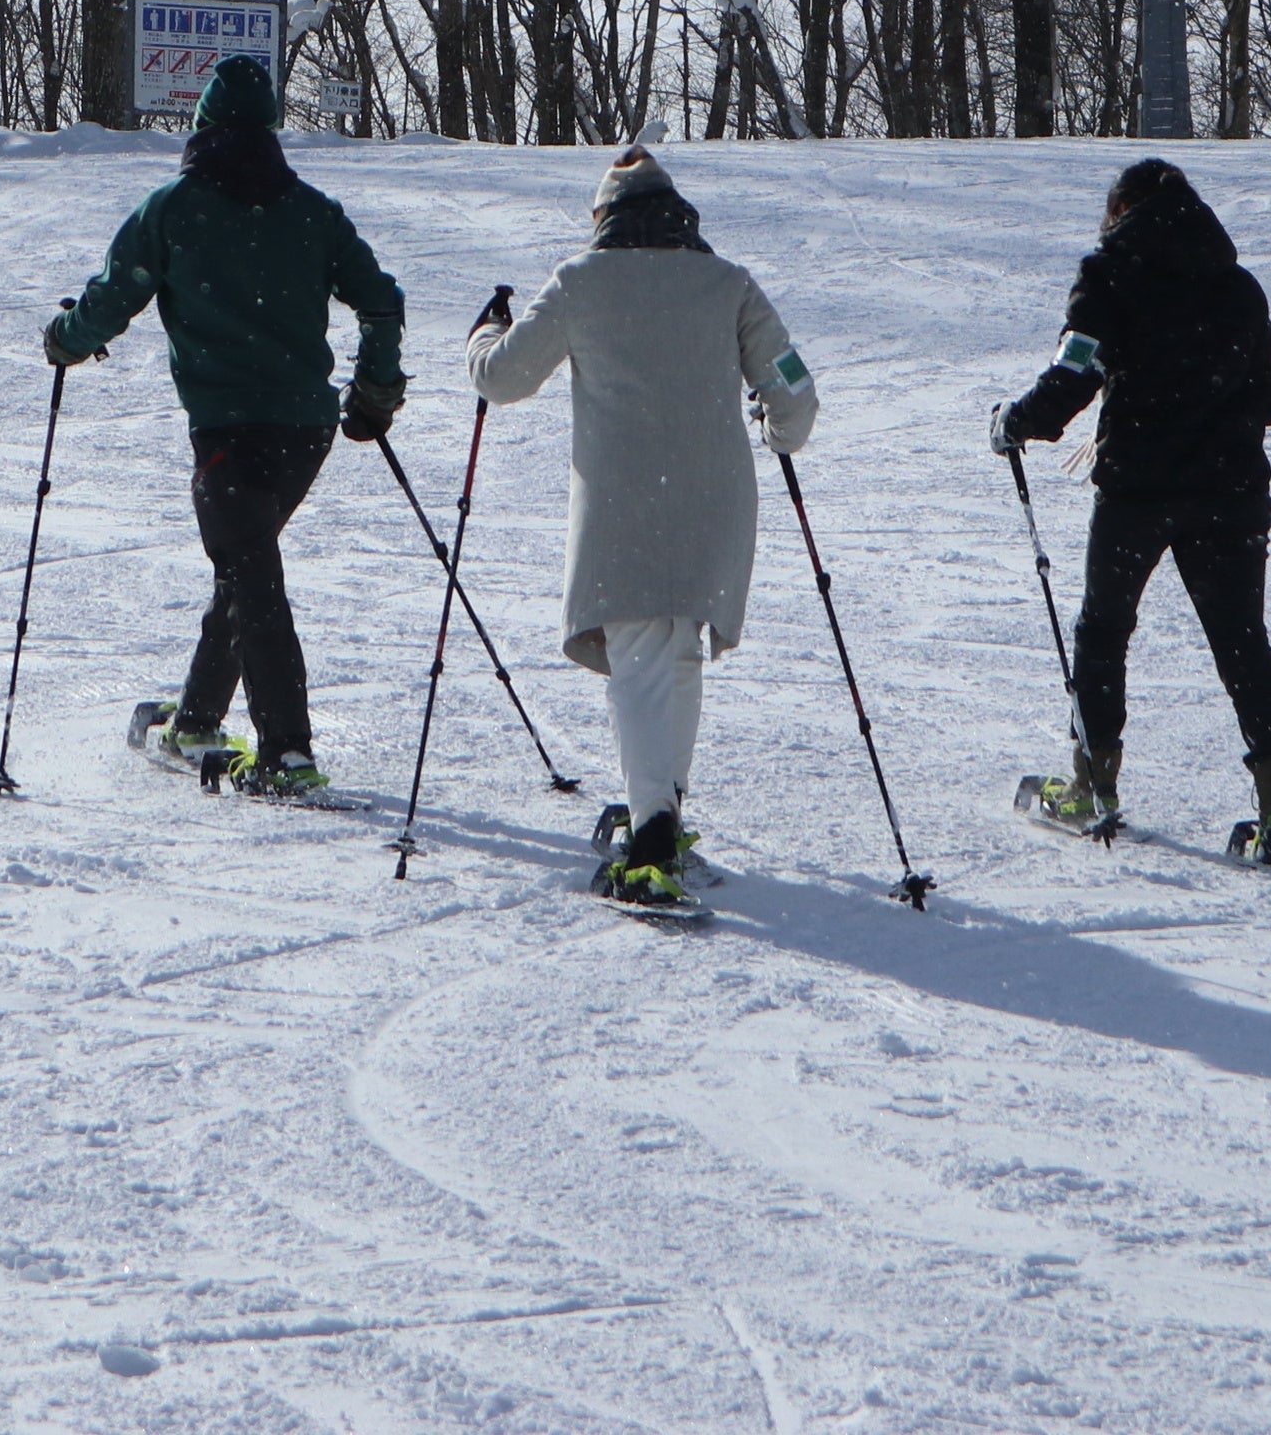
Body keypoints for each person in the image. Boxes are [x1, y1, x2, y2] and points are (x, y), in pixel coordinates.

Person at [466, 144, 816, 908]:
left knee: (637, 656)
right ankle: (661, 807)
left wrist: (480, 339)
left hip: (623, 503)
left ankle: (653, 830)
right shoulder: (728, 284)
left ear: (604, 218)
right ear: (679, 215)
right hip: (713, 499)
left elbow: (505, 379)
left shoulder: (582, 282)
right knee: (674, 650)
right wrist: (781, 431)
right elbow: (794, 386)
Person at [46, 53, 404, 796]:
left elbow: (114, 296)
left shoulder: (173, 208)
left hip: (227, 431)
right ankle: (201, 719)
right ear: (271, 127)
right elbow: (381, 300)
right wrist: (375, 392)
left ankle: (287, 751)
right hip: (305, 431)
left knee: (251, 574)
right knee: (245, 566)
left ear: (202, 122)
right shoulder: (311, 211)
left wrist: (66, 341)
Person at [992, 156, 1271, 861]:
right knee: (1242, 640)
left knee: (1104, 629)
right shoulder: (1236, 286)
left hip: (1138, 488)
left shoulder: (1110, 274)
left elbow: (1076, 372)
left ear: (1121, 211)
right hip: (1230, 491)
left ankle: (1094, 785)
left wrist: (1018, 422)